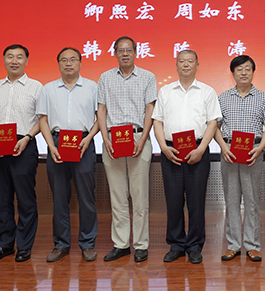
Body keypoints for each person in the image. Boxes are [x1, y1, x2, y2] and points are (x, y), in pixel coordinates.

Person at [153, 50, 221, 264]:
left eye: (190, 61)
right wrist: (163, 147)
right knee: (173, 201)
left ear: (197, 65)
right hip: (171, 150)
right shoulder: (165, 91)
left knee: (196, 201)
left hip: (198, 149)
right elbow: (157, 121)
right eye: (181, 61)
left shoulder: (207, 91)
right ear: (176, 65)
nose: (185, 64)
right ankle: (176, 244)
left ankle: (194, 246)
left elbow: (212, 122)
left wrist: (202, 148)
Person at [0, 44, 43, 263]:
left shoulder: (36, 87)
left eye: (19, 57)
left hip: (24, 144)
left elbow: (42, 119)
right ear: (4, 60)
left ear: (26, 60)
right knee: (2, 198)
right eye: (10, 57)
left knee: (25, 199)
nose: (14, 61)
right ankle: (4, 244)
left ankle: (24, 245)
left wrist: (27, 137)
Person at [97, 36, 157, 263]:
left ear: (135, 52)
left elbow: (150, 109)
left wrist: (144, 138)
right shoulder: (105, 77)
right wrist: (105, 138)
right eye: (120, 50)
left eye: (128, 50)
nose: (125, 54)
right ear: (115, 53)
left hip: (138, 137)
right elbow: (101, 110)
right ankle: (121, 244)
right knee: (118, 196)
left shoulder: (147, 77)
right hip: (112, 139)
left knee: (139, 196)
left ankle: (141, 245)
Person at [37, 47, 100, 262]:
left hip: (83, 143)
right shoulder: (48, 89)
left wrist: (89, 138)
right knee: (59, 198)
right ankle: (61, 244)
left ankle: (88, 243)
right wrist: (50, 146)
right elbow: (43, 120)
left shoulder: (92, 87)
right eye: (64, 60)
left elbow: (100, 117)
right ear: (58, 64)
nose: (68, 63)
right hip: (57, 143)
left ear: (80, 63)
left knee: (86, 197)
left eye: (73, 59)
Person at [214, 55, 265, 263]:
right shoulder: (223, 98)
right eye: (239, 69)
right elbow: (215, 127)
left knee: (251, 201)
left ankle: (252, 245)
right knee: (231, 201)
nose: (244, 72)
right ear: (233, 73)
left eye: (248, 69)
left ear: (253, 72)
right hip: (229, 152)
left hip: (253, 153)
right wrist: (223, 147)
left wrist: (260, 148)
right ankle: (233, 245)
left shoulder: (263, 98)